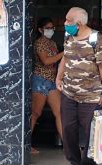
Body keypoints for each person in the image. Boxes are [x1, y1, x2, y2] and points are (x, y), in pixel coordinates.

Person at [56, 7, 102, 165]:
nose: (65, 23)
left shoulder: (96, 38)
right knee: (68, 128)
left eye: (68, 21)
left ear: (78, 23)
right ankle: (74, 163)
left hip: (91, 95)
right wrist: (58, 78)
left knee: (92, 131)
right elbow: (65, 58)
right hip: (69, 93)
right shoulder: (68, 36)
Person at [30, 17, 64, 154]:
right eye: (48, 28)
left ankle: (68, 145)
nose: (50, 30)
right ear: (40, 29)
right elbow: (46, 61)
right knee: (35, 113)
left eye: (52, 28)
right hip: (40, 80)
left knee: (60, 113)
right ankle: (26, 144)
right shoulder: (39, 43)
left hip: (52, 81)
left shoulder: (52, 44)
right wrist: (64, 53)